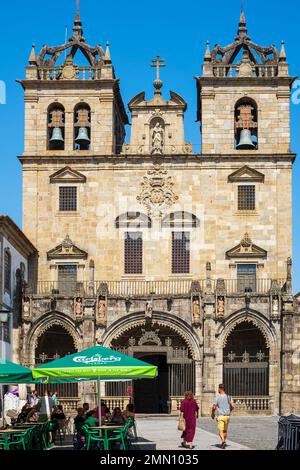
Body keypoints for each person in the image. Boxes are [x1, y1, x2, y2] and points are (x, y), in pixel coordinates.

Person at [211, 384, 235, 450]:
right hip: (227, 416)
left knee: (220, 431)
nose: (218, 390)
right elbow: (233, 406)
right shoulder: (229, 397)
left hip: (220, 416)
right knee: (225, 430)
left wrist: (212, 414)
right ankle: (224, 441)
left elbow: (213, 407)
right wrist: (229, 411)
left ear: (220, 389)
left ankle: (223, 441)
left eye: (218, 388)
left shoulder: (217, 397)